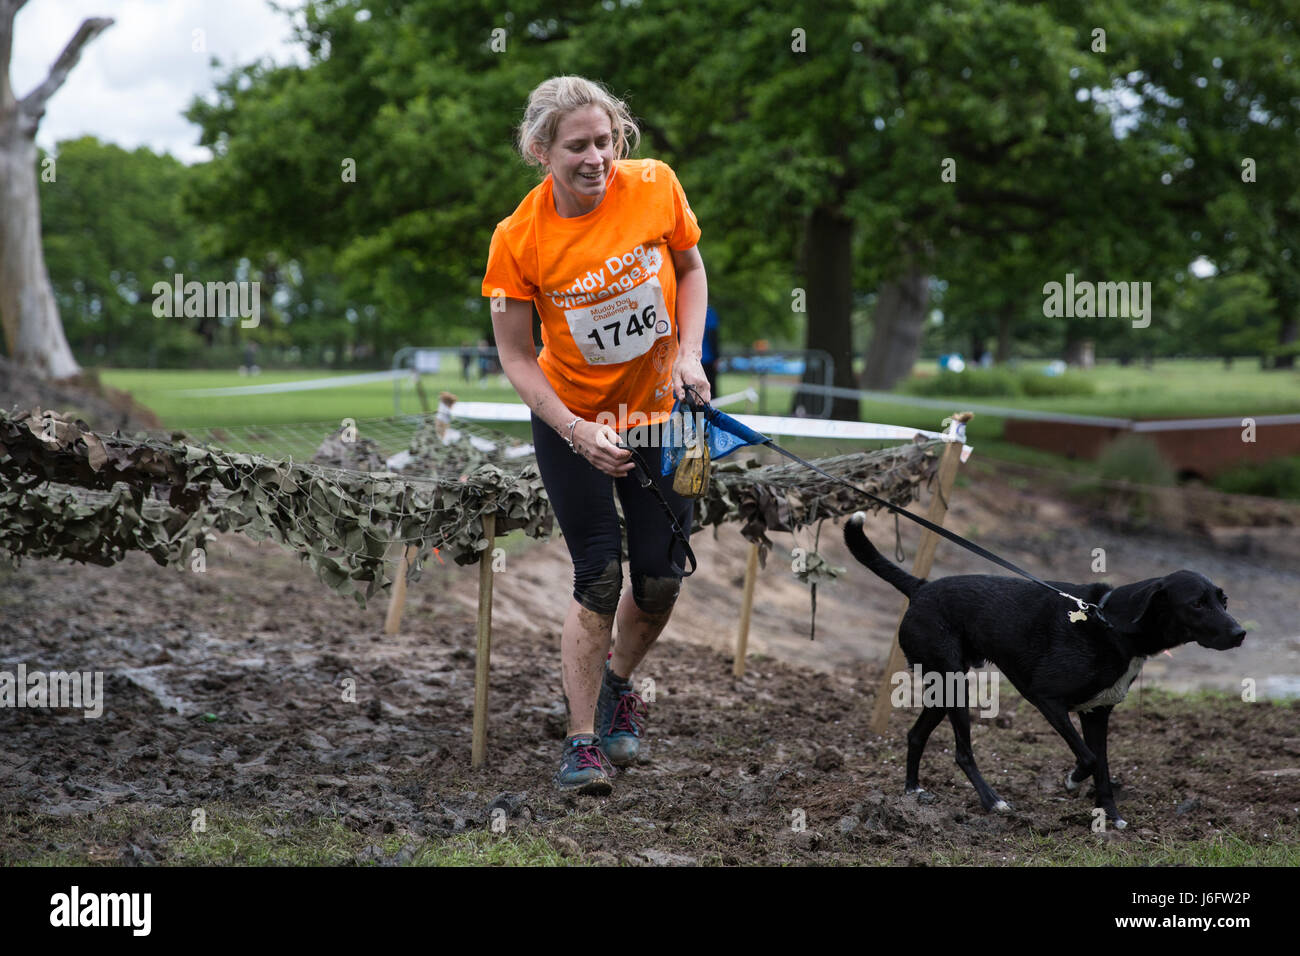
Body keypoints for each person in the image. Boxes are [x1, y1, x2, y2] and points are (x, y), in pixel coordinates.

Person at [481, 75, 710, 795]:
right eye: (577, 145)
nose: (596, 158)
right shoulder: (517, 239)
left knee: (664, 576)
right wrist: (578, 430)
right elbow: (516, 356)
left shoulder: (656, 186)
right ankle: (580, 743)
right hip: (573, 419)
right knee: (600, 574)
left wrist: (688, 353)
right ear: (539, 149)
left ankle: (618, 684)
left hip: (670, 415)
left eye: (605, 141)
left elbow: (691, 267)